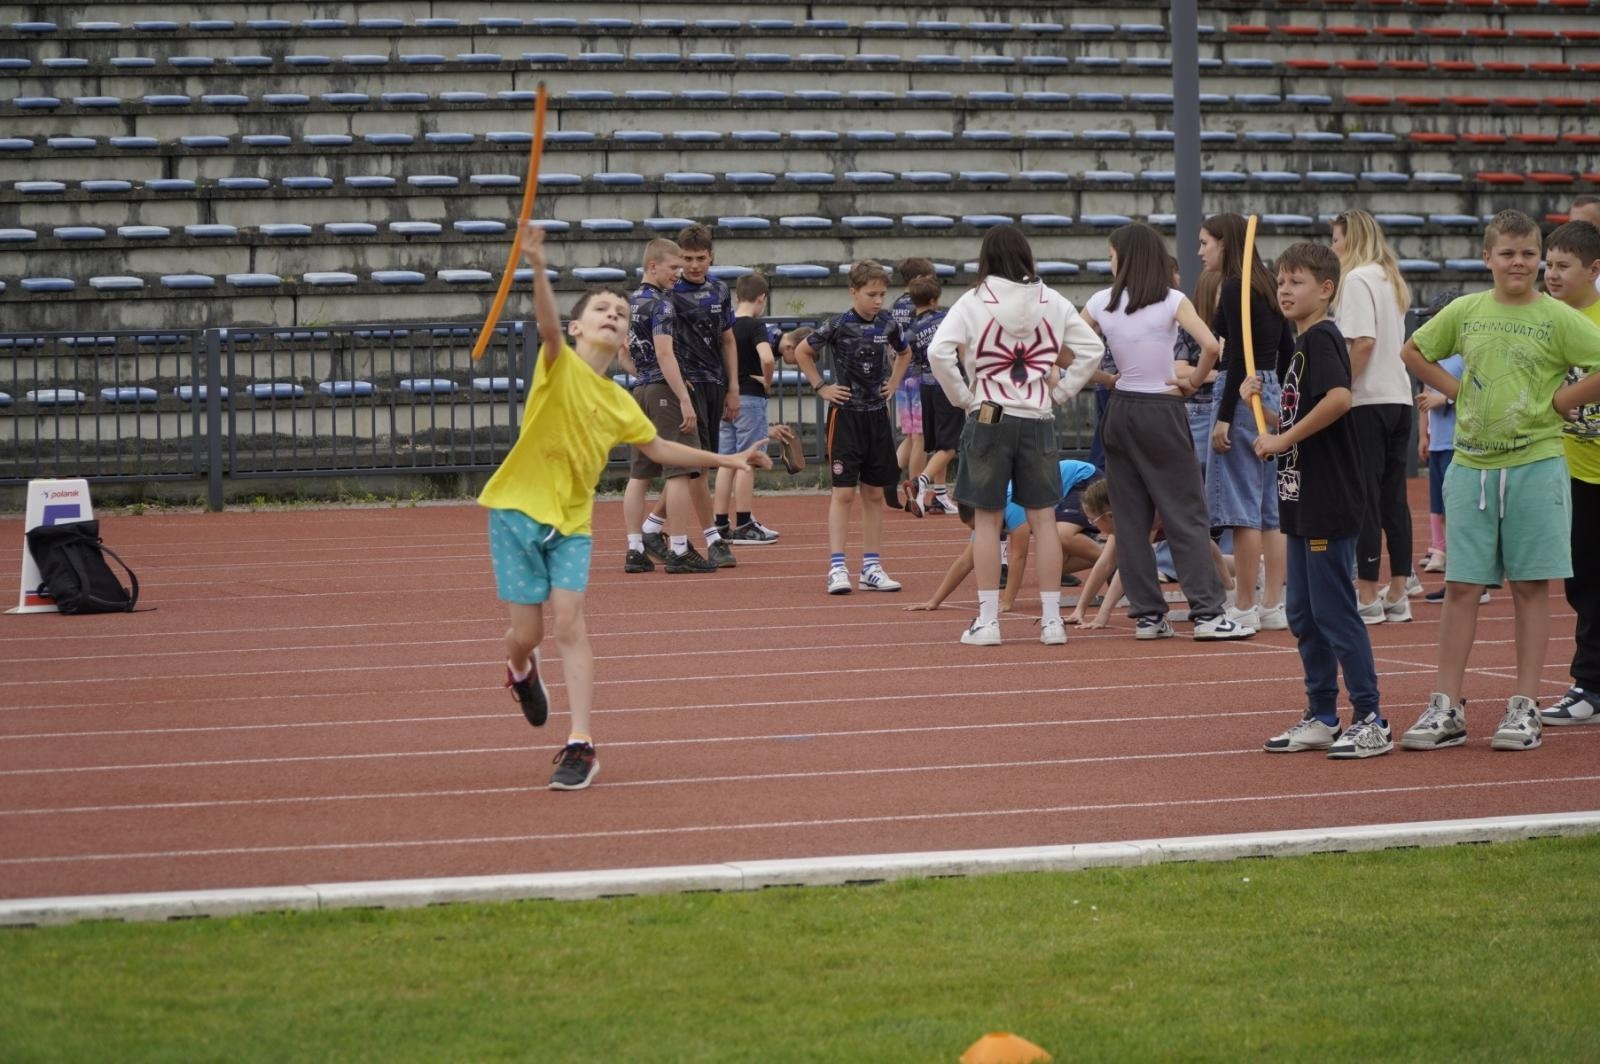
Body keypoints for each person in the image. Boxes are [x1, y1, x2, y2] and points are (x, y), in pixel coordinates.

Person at [479, 224, 772, 790]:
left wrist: (730, 462)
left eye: (620, 311)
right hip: (515, 515)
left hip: (569, 525)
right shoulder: (557, 368)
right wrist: (537, 264)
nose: (613, 314)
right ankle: (519, 670)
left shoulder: (620, 401)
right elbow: (544, 326)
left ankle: (581, 744)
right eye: (601, 309)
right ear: (578, 327)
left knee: (570, 624)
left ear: (624, 334)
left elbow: (659, 448)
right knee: (527, 635)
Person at [1399, 209, 1600, 752]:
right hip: (1472, 468)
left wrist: (1563, 401)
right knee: (1463, 587)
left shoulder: (1557, 318)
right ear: (1487, 257)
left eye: (1529, 254)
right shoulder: (1466, 310)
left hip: (1536, 465)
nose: (1520, 263)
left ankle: (1525, 705)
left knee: (1531, 587)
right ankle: (1446, 705)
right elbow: (1413, 350)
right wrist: (1457, 390)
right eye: (1508, 253)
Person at [926, 224, 1104, 646]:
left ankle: (988, 621)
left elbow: (938, 352)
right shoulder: (1052, 300)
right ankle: (1051, 621)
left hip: (989, 413)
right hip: (1038, 415)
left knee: (987, 522)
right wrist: (1060, 391)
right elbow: (1092, 349)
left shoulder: (974, 300)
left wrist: (964, 398)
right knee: (1044, 520)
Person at [1244, 242, 1388, 758]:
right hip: (1300, 497)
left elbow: (1340, 399)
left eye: (1297, 281)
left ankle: (1370, 716)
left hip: (1328, 498)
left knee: (1333, 611)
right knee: (1303, 613)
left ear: (1325, 290)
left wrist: (1283, 439)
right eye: (1281, 280)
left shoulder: (1324, 338)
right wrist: (1268, 416)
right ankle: (1322, 713)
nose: (1284, 288)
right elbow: (1303, 420)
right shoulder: (1300, 346)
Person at [1081, 222, 1253, 641]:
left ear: (1124, 257)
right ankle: (1208, 614)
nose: (1109, 262)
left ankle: (1147, 615)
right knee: (1184, 513)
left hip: (1120, 410)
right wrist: (1193, 381)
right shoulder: (1172, 299)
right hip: (1161, 406)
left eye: (1111, 255)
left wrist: (1110, 379)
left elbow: (1075, 350)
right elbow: (1211, 346)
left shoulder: (1101, 301)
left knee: (1130, 516)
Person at [1193, 213, 1291, 633]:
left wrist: (1227, 416)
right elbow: (1286, 349)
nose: (1200, 251)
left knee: (1241, 509)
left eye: (1205, 243)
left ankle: (1246, 605)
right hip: (1267, 386)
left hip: (1244, 391)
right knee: (1269, 509)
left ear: (1225, 243)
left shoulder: (1235, 287)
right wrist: (1280, 400)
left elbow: (1236, 360)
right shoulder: (1266, 284)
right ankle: (1271, 603)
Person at [793, 260, 913, 595]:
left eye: (882, 294)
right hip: (845, 417)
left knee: (874, 494)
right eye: (871, 294)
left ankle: (871, 567)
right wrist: (821, 387)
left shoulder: (888, 322)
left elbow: (905, 353)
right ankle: (837, 567)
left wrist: (894, 382)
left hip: (876, 417)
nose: (878, 301)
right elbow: (803, 351)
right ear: (854, 292)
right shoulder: (837, 325)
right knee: (843, 493)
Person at [1332, 209, 1418, 626]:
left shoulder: (1357, 279)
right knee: (1392, 498)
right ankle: (1399, 589)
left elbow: (1362, 342)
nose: (1333, 247)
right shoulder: (1391, 278)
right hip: (1399, 396)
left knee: (1363, 497)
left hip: (1367, 399)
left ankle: (1367, 591)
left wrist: (1340, 389)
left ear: (1351, 239)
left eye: (1336, 239)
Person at [638, 223, 739, 568]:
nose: (694, 266)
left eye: (701, 258)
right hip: (685, 385)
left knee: (699, 462)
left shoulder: (721, 290)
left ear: (711, 257)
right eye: (688, 259)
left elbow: (728, 339)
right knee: (694, 466)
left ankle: (652, 527)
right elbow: (658, 344)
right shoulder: (668, 291)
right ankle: (712, 537)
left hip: (714, 382)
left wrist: (734, 387)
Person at [618, 238, 718, 576]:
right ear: (652, 266)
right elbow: (665, 353)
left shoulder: (629, 303)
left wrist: (644, 376)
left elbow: (623, 355)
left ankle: (634, 548)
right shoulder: (661, 304)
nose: (679, 273)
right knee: (680, 470)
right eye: (674, 267)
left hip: (641, 390)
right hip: (663, 389)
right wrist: (684, 398)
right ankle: (678, 548)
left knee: (639, 473)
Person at [1539, 220, 1600, 726]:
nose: (1551, 275)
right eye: (1549, 265)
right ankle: (1591, 685)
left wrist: (1564, 399)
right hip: (1572, 471)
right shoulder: (1543, 317)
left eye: (1563, 266)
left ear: (1593, 270)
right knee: (1583, 582)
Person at [714, 272, 780, 545]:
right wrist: (767, 381)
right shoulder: (755, 326)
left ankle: (720, 523)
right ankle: (743, 522)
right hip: (750, 397)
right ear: (762, 298)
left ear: (738, 296)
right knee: (747, 460)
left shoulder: (724, 325)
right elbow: (766, 357)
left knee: (726, 461)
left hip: (725, 397)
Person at [905, 276, 960, 516]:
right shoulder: (947, 319)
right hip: (946, 385)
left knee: (937, 444)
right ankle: (922, 482)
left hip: (922, 386)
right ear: (934, 300)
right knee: (950, 446)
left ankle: (940, 496)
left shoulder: (910, 329)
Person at [891, 257, 937, 508]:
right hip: (919, 374)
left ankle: (888, 480)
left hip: (901, 374)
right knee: (919, 436)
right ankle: (915, 491)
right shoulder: (919, 306)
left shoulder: (897, 303)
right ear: (919, 279)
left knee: (910, 434)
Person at [1416, 353, 1464, 582]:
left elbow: (1473, 391)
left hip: (1456, 442)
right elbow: (1424, 400)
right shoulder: (1433, 361)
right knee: (1439, 505)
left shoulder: (1463, 358)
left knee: (1455, 508)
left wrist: (1444, 399)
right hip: (1437, 443)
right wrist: (1423, 436)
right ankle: (1444, 553)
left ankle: (1463, 567)